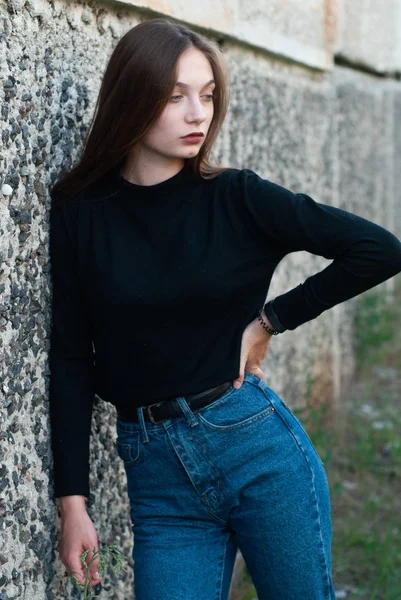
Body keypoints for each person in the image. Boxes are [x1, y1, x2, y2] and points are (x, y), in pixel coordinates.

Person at [48, 16, 401, 600]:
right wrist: (73, 504)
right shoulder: (82, 209)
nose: (198, 114)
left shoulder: (236, 197)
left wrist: (271, 321)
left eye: (208, 96)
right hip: (156, 476)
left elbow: (379, 250)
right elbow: (69, 357)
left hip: (258, 451)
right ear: (131, 97)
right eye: (175, 96)